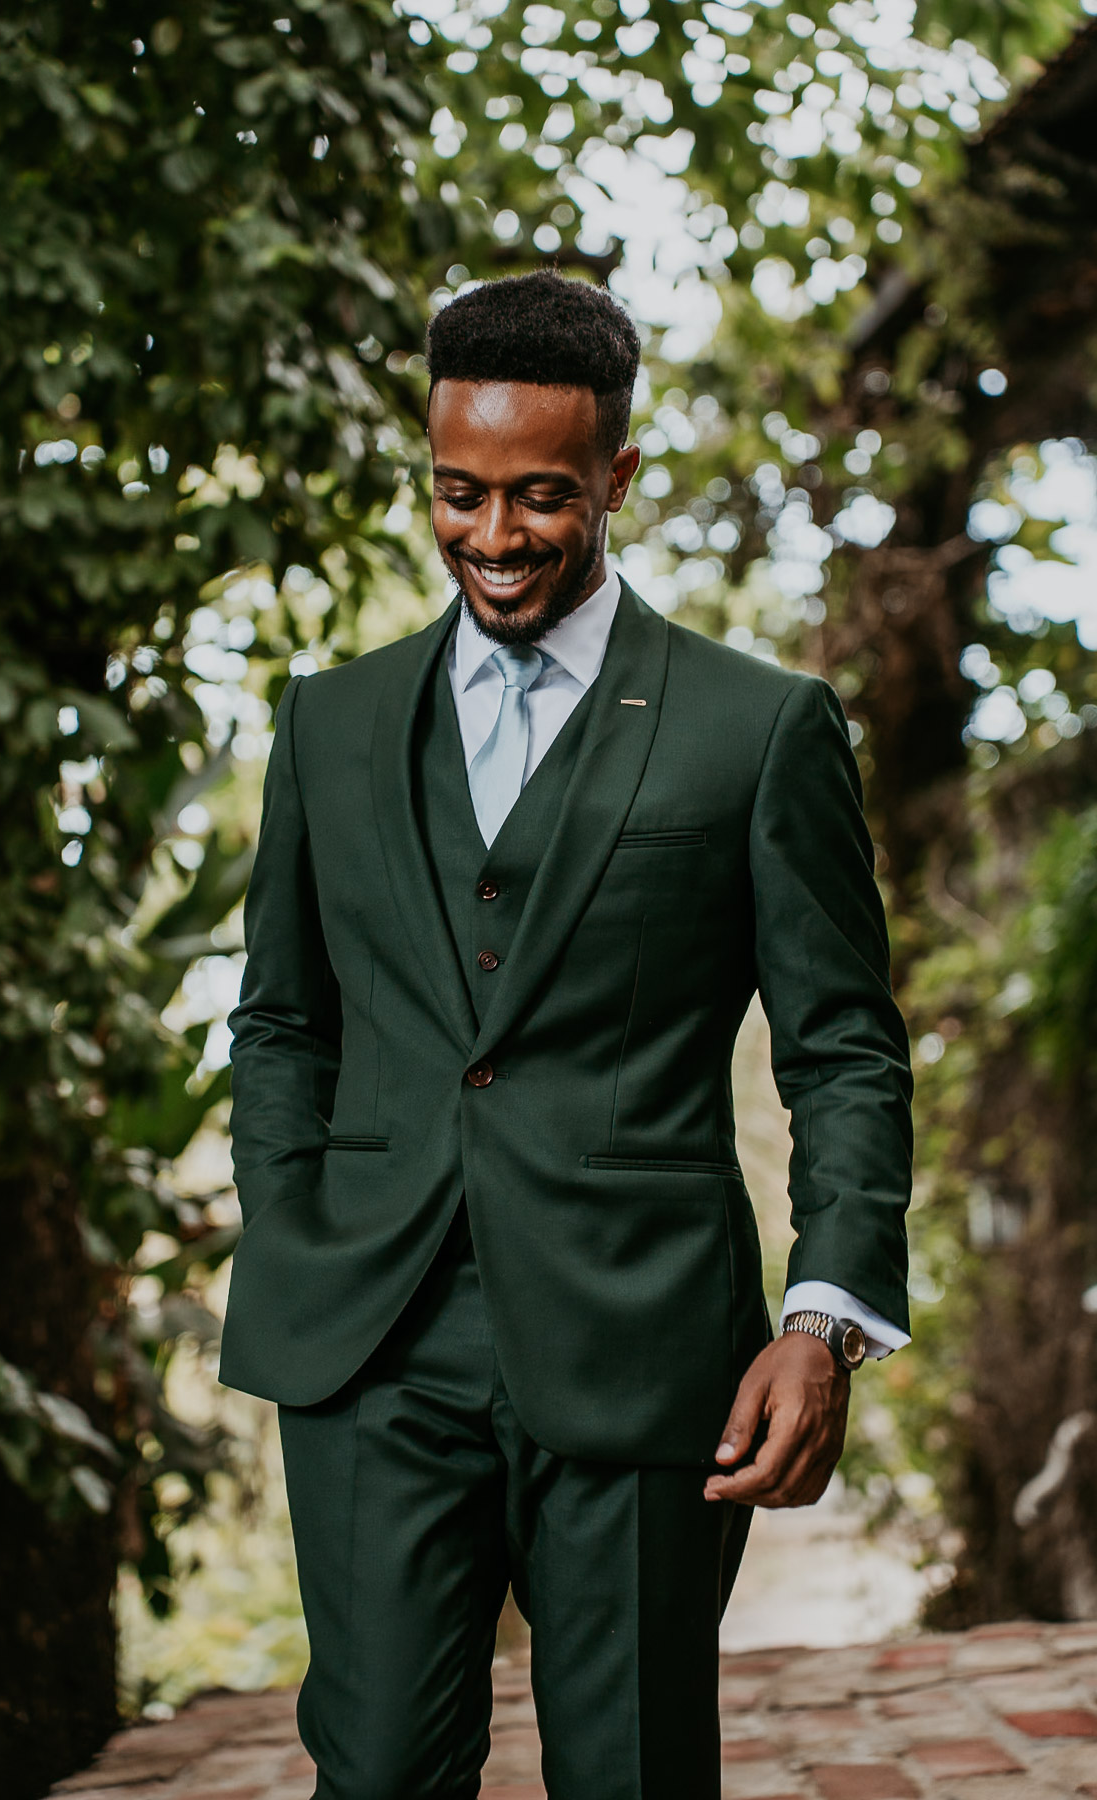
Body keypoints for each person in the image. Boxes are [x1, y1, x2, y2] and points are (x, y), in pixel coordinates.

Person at [219, 270, 913, 1800]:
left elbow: (844, 1045)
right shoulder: (329, 724)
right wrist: (295, 1221)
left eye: (540, 497)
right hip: (371, 1344)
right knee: (379, 1769)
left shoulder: (756, 727)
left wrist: (827, 1318)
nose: (493, 537)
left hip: (644, 1340)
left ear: (617, 476)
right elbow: (278, 1021)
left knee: (636, 1773)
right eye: (457, 494)